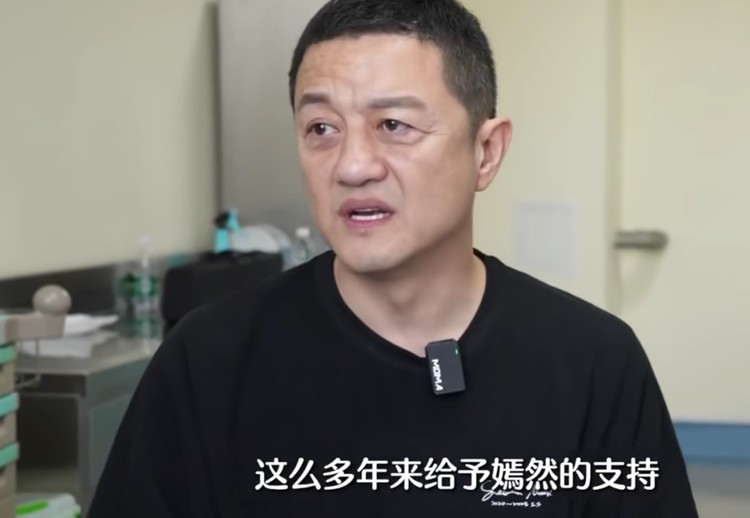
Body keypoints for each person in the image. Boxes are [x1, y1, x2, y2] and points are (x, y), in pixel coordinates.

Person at [88, 0, 699, 516]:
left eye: (394, 125)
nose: (353, 166)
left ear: (486, 152)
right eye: (321, 128)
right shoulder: (208, 360)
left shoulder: (592, 362)